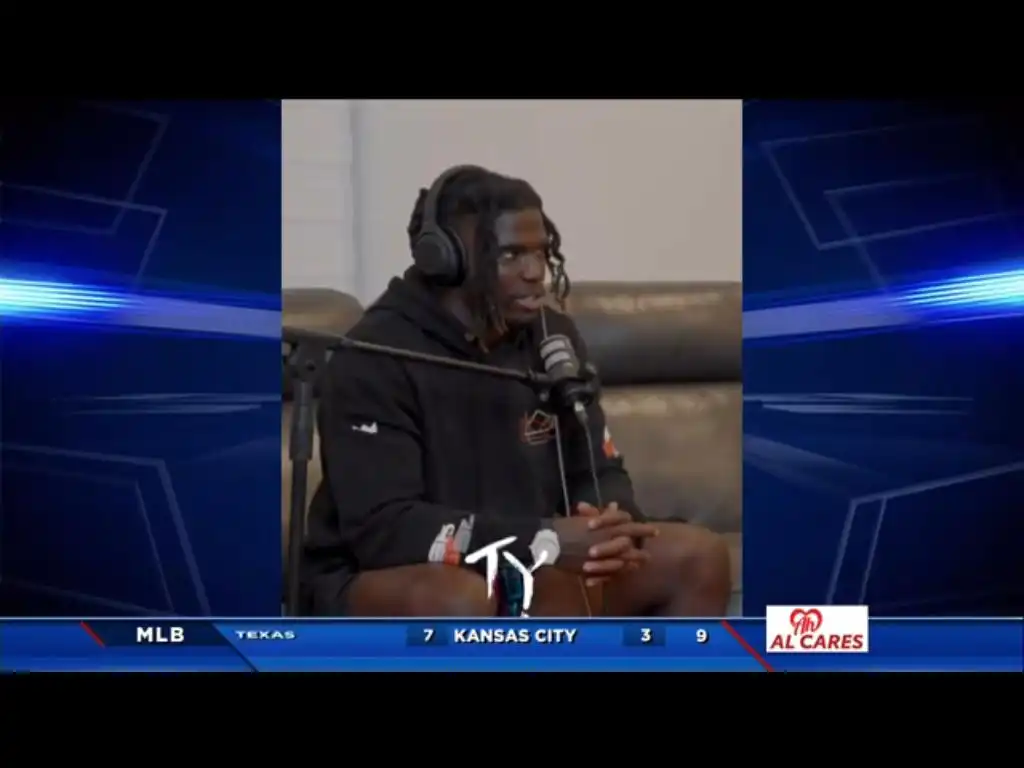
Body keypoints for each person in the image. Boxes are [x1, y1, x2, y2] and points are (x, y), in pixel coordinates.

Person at [301, 165, 731, 617]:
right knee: (488, 593)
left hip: (528, 555)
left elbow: (597, 468)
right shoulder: (374, 356)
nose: (535, 272)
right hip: (393, 573)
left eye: (541, 252)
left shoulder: (552, 337)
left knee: (696, 557)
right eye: (509, 255)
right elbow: (386, 531)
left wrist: (610, 523)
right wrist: (544, 542)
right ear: (445, 260)